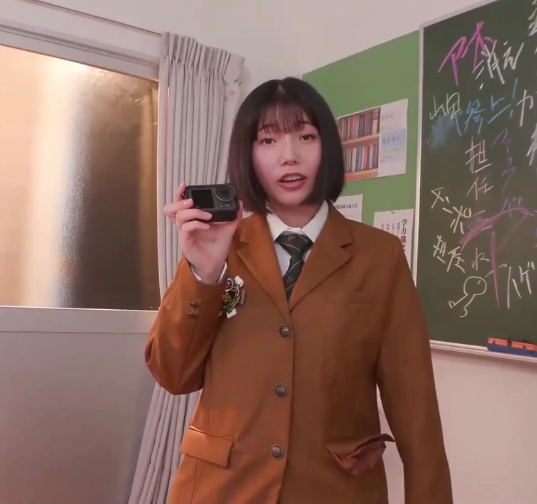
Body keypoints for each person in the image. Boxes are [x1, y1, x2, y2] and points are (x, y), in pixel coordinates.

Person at [145, 77, 452, 504]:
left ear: (327, 147)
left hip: (335, 490)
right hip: (223, 490)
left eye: (305, 136)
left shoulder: (379, 255)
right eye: (268, 140)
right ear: (248, 155)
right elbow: (173, 375)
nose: (289, 155)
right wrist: (203, 272)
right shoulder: (220, 244)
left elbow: (415, 406)